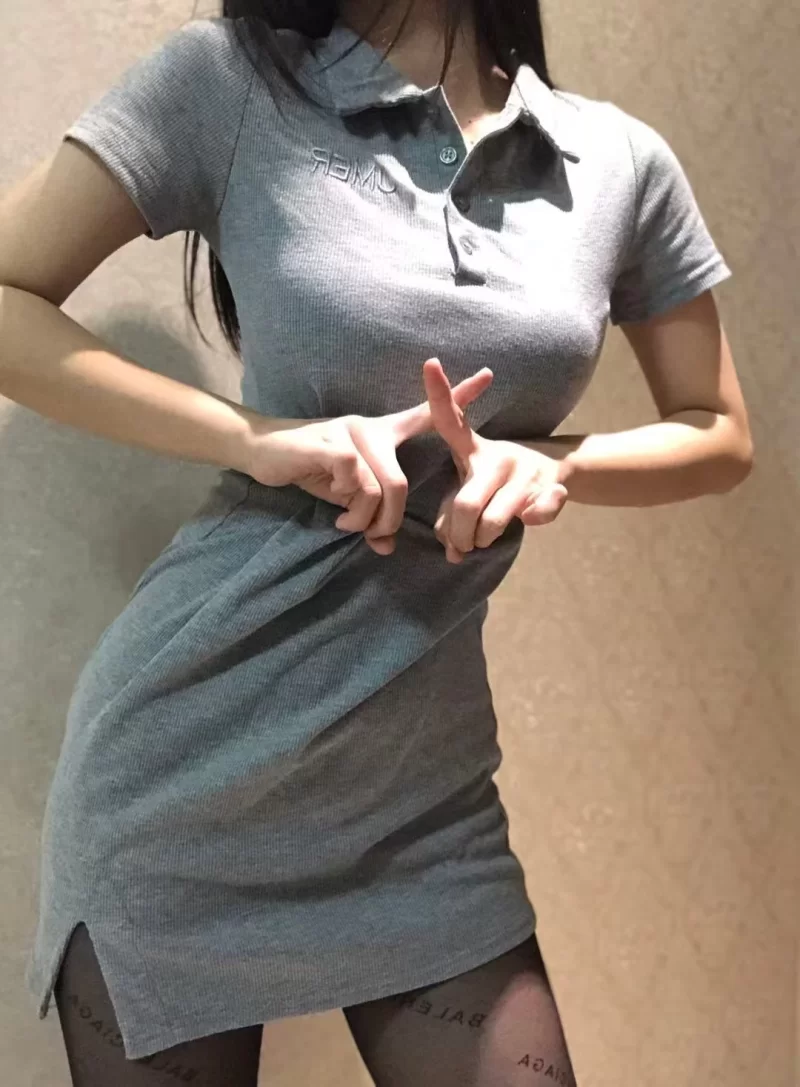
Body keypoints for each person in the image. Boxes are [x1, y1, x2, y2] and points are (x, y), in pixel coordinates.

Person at [0, 0, 753, 1083]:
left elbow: (718, 432)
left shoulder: (616, 161)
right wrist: (254, 437)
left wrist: (554, 463)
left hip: (422, 799)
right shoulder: (229, 84)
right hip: (183, 774)